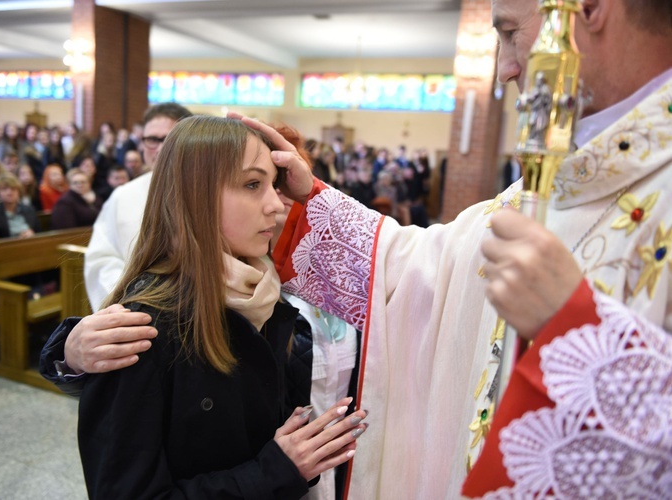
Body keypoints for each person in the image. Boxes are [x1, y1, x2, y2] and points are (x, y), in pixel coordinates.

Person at [46, 0, 672, 497]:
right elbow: (419, 267)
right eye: (251, 186)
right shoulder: (546, 188)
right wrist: (67, 348)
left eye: (509, 32)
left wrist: (578, 334)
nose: (505, 68)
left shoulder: (276, 313)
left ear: (585, 9)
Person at [67, 115, 368, 498]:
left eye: (273, 186)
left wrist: (297, 458)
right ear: (197, 194)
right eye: (253, 184)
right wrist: (276, 470)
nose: (276, 206)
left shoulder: (261, 295)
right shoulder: (141, 329)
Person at [83, 102, 193, 311]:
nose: (161, 148)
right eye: (152, 139)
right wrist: (134, 301)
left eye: (170, 139)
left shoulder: (209, 192)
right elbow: (101, 259)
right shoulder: (123, 196)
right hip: (133, 311)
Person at [0, 173, 41, 238]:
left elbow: (40, 233)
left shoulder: (30, 210)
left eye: (13, 189)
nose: (9, 193)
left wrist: (32, 234)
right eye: (4, 189)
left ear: (19, 191)